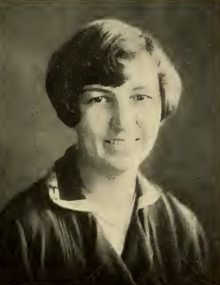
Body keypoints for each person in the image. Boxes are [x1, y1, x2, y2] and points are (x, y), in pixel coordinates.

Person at [0, 19, 210, 284]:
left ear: (162, 106)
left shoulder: (184, 228)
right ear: (72, 107)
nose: (122, 122)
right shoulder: (23, 229)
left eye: (140, 97)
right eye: (99, 99)